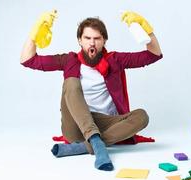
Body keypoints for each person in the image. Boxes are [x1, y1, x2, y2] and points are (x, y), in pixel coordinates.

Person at [20, 11, 162, 171]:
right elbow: (27, 60)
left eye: (97, 38)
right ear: (80, 40)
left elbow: (154, 54)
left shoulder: (115, 60)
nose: (92, 43)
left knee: (141, 116)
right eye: (87, 38)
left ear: (104, 41)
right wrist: (35, 33)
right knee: (71, 82)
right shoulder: (69, 60)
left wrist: (147, 30)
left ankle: (85, 146)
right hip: (76, 125)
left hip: (105, 123)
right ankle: (95, 141)